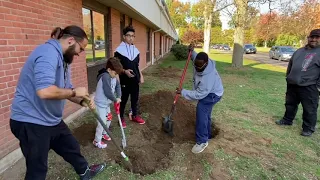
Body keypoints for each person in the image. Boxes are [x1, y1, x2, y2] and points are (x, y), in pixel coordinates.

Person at [10, 26, 105, 180]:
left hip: (50, 120)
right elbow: (45, 91)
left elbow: (65, 89)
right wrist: (75, 92)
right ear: (71, 40)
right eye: (81, 49)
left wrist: (82, 100)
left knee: (71, 146)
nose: (80, 54)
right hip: (30, 121)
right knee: (37, 169)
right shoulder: (48, 53)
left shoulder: (63, 59)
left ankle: (85, 173)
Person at [176, 44, 224, 154]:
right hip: (209, 91)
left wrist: (183, 92)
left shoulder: (208, 77)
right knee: (205, 113)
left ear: (206, 64)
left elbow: (199, 95)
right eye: (195, 64)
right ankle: (207, 132)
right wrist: (192, 52)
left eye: (199, 65)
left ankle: (202, 141)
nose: (197, 67)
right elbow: (196, 57)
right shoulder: (200, 61)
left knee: (201, 110)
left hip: (213, 94)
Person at [275, 29, 320, 137]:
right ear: (308, 38)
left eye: (317, 37)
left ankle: (308, 129)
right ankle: (287, 120)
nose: (313, 39)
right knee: (290, 104)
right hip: (292, 84)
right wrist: (288, 76)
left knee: (309, 109)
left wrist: (318, 87)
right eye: (311, 37)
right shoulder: (299, 51)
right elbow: (291, 64)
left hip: (309, 86)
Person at [114, 25, 145, 128]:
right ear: (124, 36)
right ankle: (121, 118)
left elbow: (137, 65)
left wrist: (141, 75)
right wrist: (124, 71)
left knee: (135, 99)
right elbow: (115, 67)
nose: (131, 38)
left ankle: (134, 115)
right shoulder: (118, 51)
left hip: (135, 80)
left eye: (132, 36)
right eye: (128, 35)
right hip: (124, 80)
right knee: (123, 99)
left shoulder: (136, 51)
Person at [93, 57, 123, 148]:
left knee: (109, 119)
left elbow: (118, 86)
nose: (116, 75)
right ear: (109, 70)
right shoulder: (105, 76)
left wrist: (119, 96)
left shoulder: (113, 76)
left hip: (106, 104)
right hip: (100, 104)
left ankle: (104, 134)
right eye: (115, 73)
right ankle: (97, 141)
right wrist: (115, 99)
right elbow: (107, 92)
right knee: (102, 123)